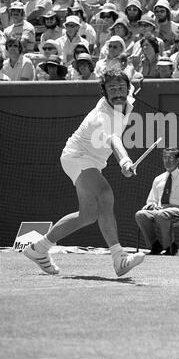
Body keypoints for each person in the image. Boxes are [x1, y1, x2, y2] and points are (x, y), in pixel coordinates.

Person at [23, 67, 145, 277]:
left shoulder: (126, 95)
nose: (117, 91)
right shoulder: (104, 116)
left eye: (121, 87)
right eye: (112, 88)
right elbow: (115, 140)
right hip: (77, 156)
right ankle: (119, 257)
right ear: (104, 92)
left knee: (87, 215)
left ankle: (38, 248)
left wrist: (134, 67)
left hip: (92, 160)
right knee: (105, 194)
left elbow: (134, 82)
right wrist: (125, 161)